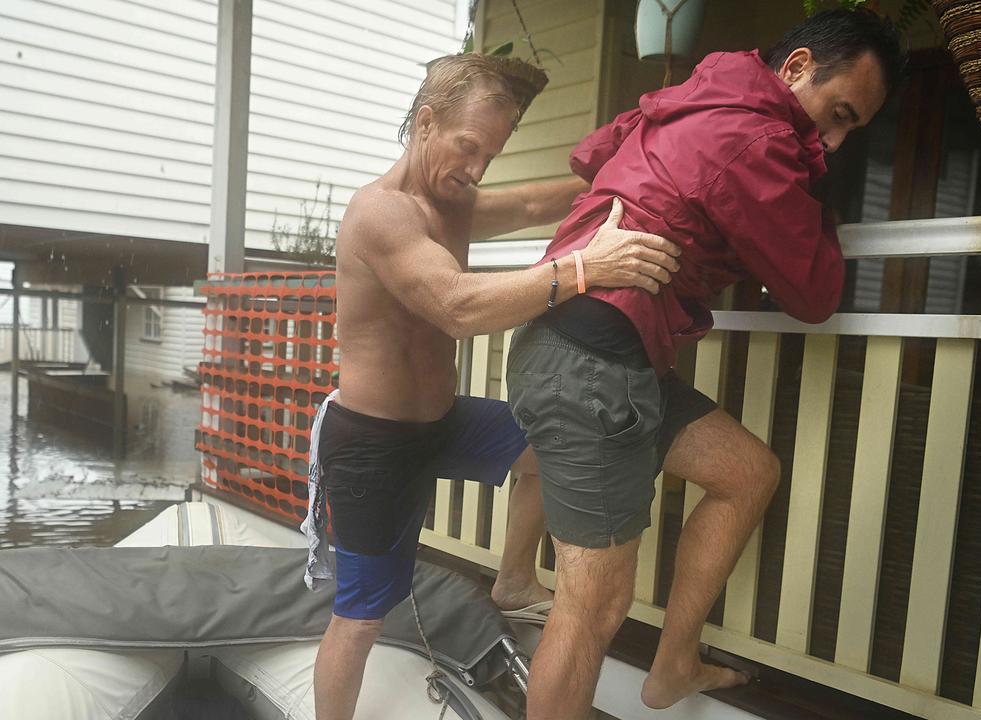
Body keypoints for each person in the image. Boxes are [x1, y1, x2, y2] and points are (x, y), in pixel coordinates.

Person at [504, 9, 904, 718]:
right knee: (593, 606)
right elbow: (814, 291)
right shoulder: (755, 135)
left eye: (851, 131)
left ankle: (673, 664)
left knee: (746, 472)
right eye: (837, 115)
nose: (834, 142)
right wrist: (818, 196)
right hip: (594, 359)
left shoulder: (707, 97)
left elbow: (607, 165)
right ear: (797, 67)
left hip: (609, 357)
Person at [301, 53, 682, 720]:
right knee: (361, 617)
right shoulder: (381, 213)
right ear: (426, 123)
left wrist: (641, 159)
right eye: (468, 147)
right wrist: (584, 268)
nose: (476, 170)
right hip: (374, 441)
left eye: (490, 155)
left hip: (442, 421)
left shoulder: (453, 202)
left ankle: (511, 580)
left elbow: (538, 200)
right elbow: (456, 306)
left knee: (548, 444)